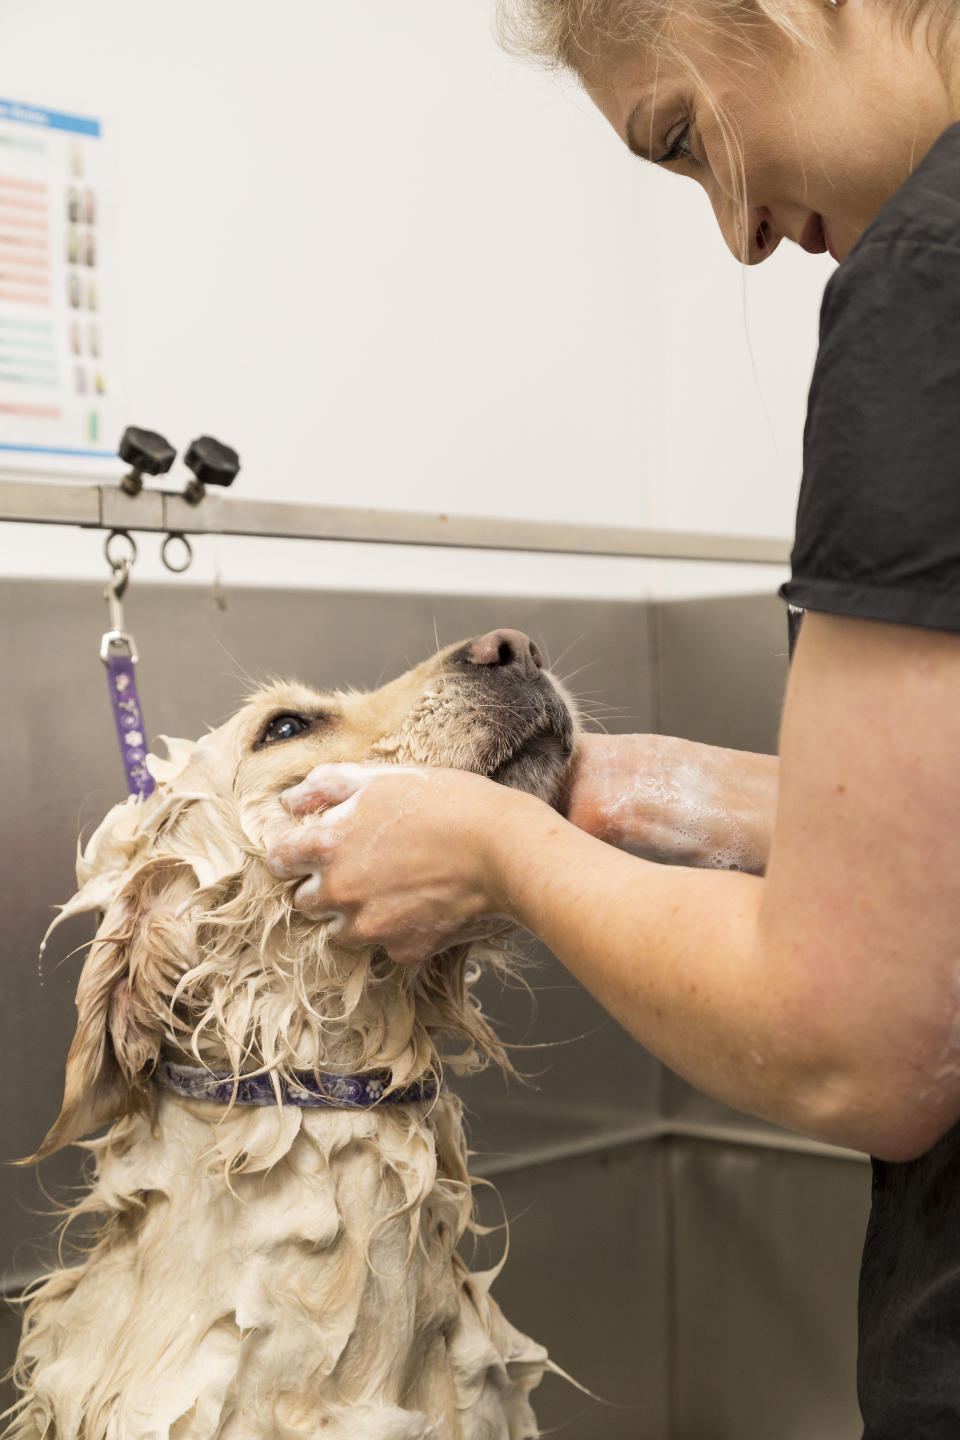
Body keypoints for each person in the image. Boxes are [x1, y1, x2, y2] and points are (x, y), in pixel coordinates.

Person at [266, 0, 960, 1432]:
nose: (738, 232)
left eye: (685, 135)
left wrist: (504, 857)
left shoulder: (928, 290)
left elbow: (863, 1047)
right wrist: (765, 805)